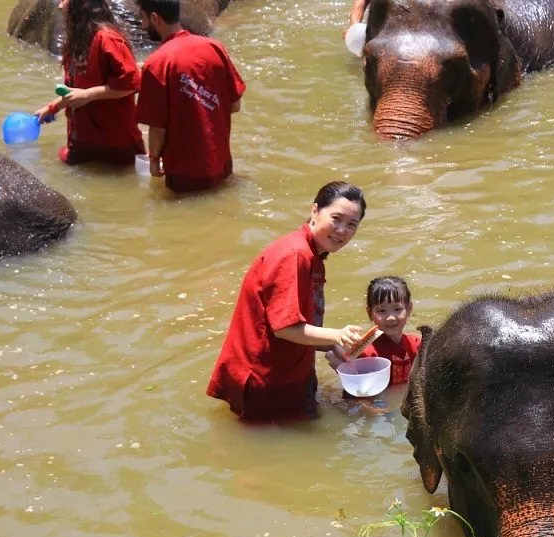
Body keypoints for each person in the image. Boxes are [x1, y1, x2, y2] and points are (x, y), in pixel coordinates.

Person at [207, 182, 367, 423]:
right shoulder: (294, 254)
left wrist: (331, 346)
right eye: (336, 218)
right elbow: (284, 328)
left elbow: (296, 319)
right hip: (264, 381)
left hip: (286, 371)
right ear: (315, 211)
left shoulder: (312, 253)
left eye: (352, 224)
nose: (343, 230)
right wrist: (337, 335)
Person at [134, 0, 246, 192]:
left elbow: (157, 129)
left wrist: (153, 159)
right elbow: (235, 105)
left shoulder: (156, 64)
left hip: (184, 174)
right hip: (222, 165)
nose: (143, 26)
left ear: (155, 18)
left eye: (143, 19)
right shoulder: (215, 47)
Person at [34, 0, 145, 165]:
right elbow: (77, 90)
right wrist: (52, 108)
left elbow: (130, 83)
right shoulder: (75, 43)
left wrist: (88, 95)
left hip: (115, 144)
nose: (61, 6)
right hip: (82, 144)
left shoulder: (108, 39)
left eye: (65, 0)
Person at [328, 276, 422, 386]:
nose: (390, 317)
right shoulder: (365, 353)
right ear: (369, 313)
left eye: (397, 309)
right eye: (382, 311)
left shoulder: (417, 345)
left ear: (409, 309)